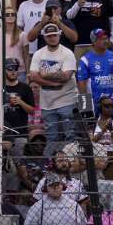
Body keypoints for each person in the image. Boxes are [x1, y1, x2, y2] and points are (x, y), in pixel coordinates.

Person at [30, 23, 78, 155]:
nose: (52, 38)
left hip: (67, 101)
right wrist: (52, 83)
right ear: (44, 37)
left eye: (54, 35)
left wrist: (45, 74)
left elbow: (66, 77)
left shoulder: (67, 53)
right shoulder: (38, 54)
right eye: (49, 36)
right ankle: (50, 167)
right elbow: (33, 76)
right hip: (47, 104)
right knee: (51, 138)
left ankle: (71, 163)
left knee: (71, 136)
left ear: (59, 35)